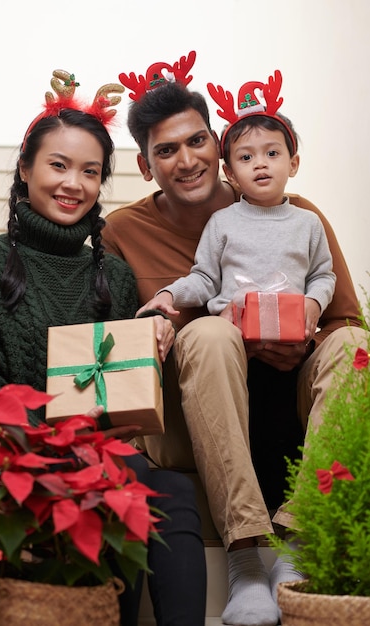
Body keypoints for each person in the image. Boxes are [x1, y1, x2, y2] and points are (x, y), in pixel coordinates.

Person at [103, 52, 368, 626]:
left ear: (217, 148)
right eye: (165, 151)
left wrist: (305, 335)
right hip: (204, 400)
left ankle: (299, 536)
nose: (187, 159)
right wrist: (164, 317)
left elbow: (348, 324)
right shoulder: (123, 231)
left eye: (197, 141)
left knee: (350, 349)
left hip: (289, 398)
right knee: (209, 333)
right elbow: (122, 345)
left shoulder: (300, 217)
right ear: (147, 168)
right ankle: (246, 554)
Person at [0, 69, 207, 626]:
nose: (74, 184)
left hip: (98, 455)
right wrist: (55, 427)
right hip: (16, 459)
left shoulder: (113, 277)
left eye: (90, 172)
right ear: (25, 169)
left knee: (166, 493)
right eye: (58, 165)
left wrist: (152, 341)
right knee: (109, 498)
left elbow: (124, 392)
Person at [138, 69, 336, 349]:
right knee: (215, 339)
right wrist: (170, 294)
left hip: (292, 339)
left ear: (293, 164)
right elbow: (204, 278)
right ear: (229, 171)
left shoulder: (308, 222)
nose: (260, 164)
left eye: (272, 153)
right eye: (246, 157)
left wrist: (314, 301)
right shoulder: (222, 222)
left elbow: (322, 275)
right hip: (232, 342)